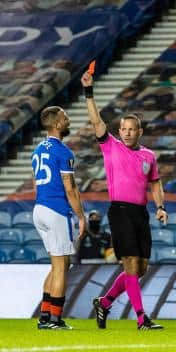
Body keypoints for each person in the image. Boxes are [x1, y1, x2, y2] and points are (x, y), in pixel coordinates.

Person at [82, 71, 166, 330]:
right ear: (119, 131)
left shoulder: (149, 156)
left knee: (139, 269)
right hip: (119, 211)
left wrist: (160, 207)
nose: (127, 133)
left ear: (140, 131)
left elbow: (155, 183)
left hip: (141, 213)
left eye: (132, 129)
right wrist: (89, 92)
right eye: (124, 129)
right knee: (130, 263)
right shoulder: (110, 146)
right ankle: (141, 318)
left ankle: (104, 303)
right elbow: (96, 121)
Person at [32, 106, 86, 330]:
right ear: (56, 124)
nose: (68, 120)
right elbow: (70, 188)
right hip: (56, 210)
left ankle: (45, 316)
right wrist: (81, 216)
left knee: (57, 265)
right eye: (65, 117)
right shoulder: (63, 152)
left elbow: (36, 183)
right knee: (62, 266)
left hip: (40, 209)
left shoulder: (37, 149)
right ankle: (55, 319)